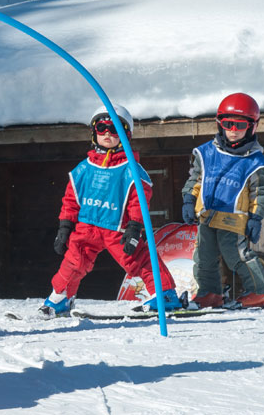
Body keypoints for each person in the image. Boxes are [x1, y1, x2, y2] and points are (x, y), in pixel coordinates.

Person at [39, 104, 180, 318]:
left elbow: (139, 201)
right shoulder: (83, 169)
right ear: (93, 132)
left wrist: (134, 227)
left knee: (139, 260)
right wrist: (65, 226)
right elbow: (71, 200)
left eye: (115, 129)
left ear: (126, 135)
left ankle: (165, 294)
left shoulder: (130, 170)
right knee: (73, 262)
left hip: (118, 228)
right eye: (102, 127)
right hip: (87, 226)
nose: (107, 134)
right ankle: (60, 297)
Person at [182, 93, 264, 309]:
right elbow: (195, 178)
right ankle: (209, 292)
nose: (233, 130)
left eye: (240, 124)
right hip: (206, 214)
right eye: (228, 124)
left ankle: (260, 291)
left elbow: (259, 192)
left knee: (237, 255)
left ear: (252, 126)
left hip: (234, 218)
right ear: (219, 124)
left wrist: (255, 218)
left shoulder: (254, 161)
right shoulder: (206, 152)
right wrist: (189, 199)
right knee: (204, 257)